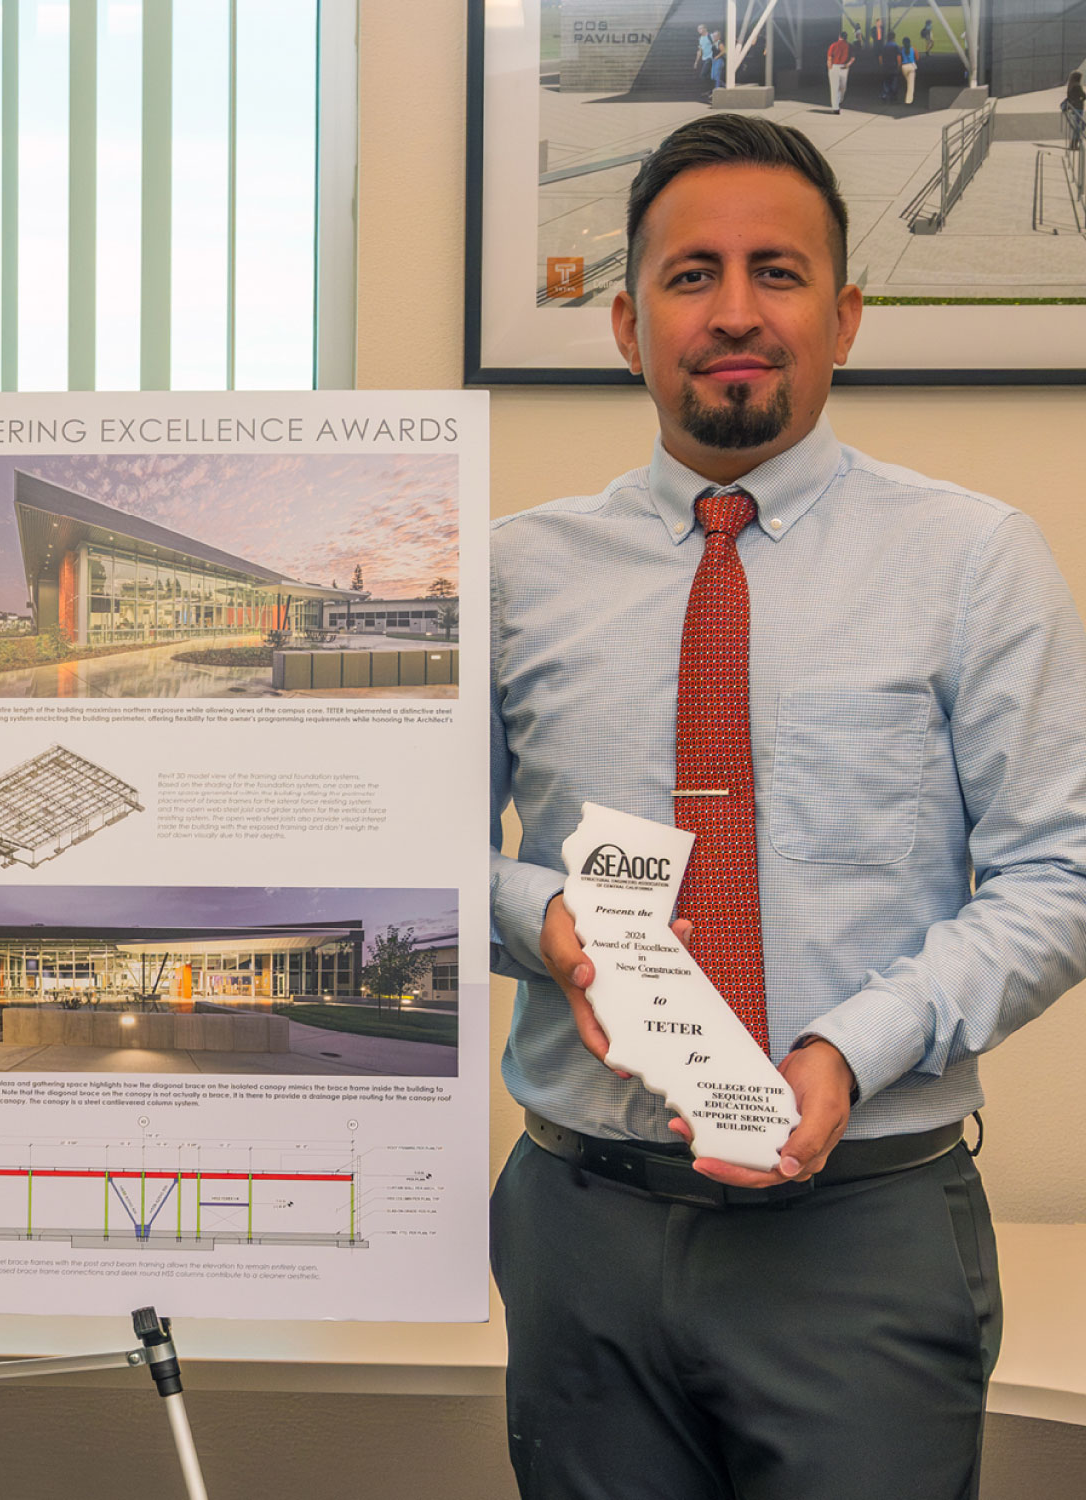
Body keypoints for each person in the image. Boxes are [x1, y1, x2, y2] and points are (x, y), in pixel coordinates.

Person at [490, 113, 1086, 1500]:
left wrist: (844, 1051)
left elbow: (1059, 877)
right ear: (627, 325)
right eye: (692, 275)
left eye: (780, 270)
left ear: (847, 313)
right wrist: (549, 920)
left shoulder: (973, 563)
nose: (737, 310)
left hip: (862, 1229)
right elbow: (407, 857)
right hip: (587, 1220)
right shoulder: (512, 575)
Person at [826, 29, 854, 112]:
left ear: (839, 36)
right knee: (842, 87)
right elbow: (852, 58)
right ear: (846, 37)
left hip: (834, 66)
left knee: (834, 87)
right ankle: (839, 102)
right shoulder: (850, 46)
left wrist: (830, 67)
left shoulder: (833, 45)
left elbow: (829, 57)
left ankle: (836, 106)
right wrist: (847, 65)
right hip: (844, 68)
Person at [1063, 70, 1086, 150]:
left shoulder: (1070, 86)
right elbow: (1084, 95)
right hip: (1079, 108)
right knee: (1080, 127)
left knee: (1078, 126)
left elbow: (1070, 98)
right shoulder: (1077, 86)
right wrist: (1082, 99)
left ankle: (1073, 144)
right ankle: (1074, 144)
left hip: (1074, 108)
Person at [879, 28, 903, 100]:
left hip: (886, 67)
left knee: (886, 82)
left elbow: (880, 57)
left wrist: (882, 64)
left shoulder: (884, 46)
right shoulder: (895, 46)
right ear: (894, 38)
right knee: (894, 82)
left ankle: (885, 95)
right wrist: (899, 65)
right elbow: (898, 57)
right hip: (893, 66)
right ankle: (893, 97)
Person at [900, 35, 918, 104]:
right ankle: (908, 101)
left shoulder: (902, 49)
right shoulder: (913, 49)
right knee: (911, 85)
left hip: (904, 67)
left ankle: (908, 98)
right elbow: (917, 57)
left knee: (908, 82)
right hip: (911, 66)